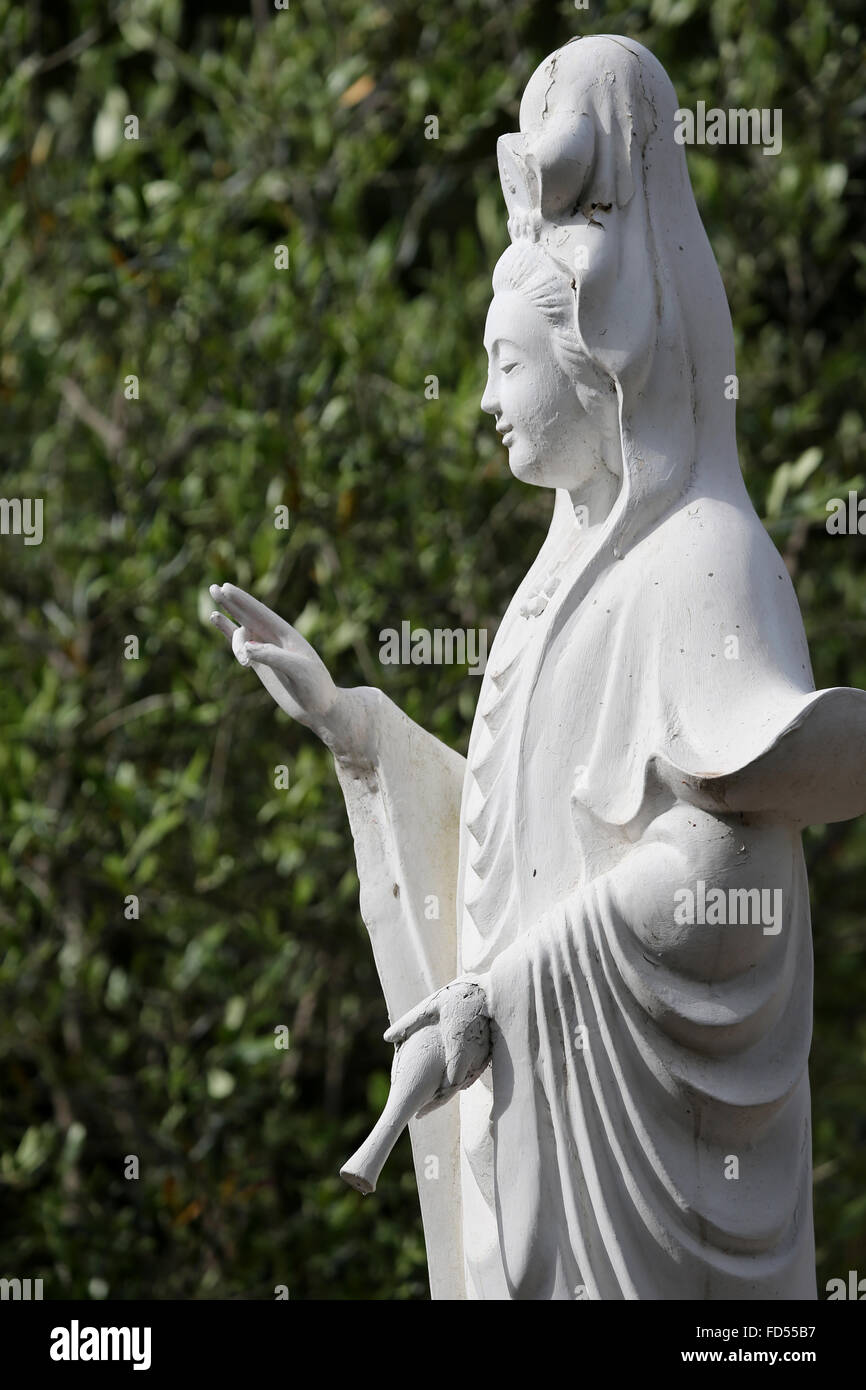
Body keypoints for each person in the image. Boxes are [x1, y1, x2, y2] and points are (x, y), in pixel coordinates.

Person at [210, 37, 866, 1299]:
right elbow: (529, 841)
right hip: (535, 1151)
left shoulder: (702, 564)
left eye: (506, 366)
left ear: (595, 369)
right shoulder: (555, 575)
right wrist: (356, 728)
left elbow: (727, 861)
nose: (482, 402)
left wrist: (500, 997)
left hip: (652, 1209)